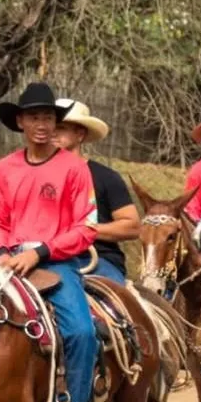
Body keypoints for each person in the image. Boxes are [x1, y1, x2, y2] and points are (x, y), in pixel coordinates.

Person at [0, 82, 99, 402]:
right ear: (20, 121)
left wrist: (41, 252)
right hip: (6, 262)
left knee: (81, 332)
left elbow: (86, 227)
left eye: (49, 117)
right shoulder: (4, 168)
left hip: (55, 261)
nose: (42, 124)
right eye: (34, 117)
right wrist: (1, 251)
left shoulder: (75, 168)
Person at [53, 98, 139, 284]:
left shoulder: (106, 177)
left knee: (115, 305)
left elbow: (132, 226)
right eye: (50, 126)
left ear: (80, 134)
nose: (53, 132)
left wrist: (84, 230)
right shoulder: (34, 176)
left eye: (61, 127)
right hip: (46, 256)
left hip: (97, 258)